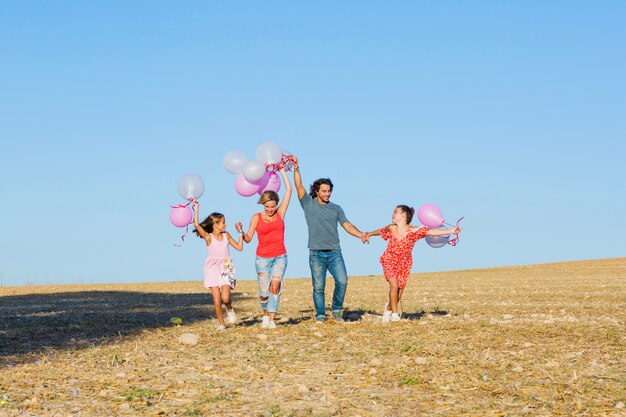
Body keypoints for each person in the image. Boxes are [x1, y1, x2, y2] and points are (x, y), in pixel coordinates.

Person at [293, 156, 367, 322]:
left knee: (342, 281)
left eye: (329, 191)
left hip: (335, 253)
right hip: (316, 254)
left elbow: (347, 225)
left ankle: (336, 310)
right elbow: (298, 186)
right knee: (318, 287)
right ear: (317, 191)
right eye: (324, 191)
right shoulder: (308, 203)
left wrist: (361, 234)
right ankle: (320, 315)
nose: (327, 194)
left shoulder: (336, 208)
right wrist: (296, 168)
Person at [364, 205, 460, 323]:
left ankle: (388, 308)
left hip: (404, 263)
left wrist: (451, 230)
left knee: (399, 292)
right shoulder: (392, 228)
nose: (392, 214)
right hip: (389, 259)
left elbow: (432, 232)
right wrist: (368, 234)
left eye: (395, 212)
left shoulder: (414, 231)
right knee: (394, 285)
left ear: (403, 215)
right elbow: (381, 231)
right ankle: (395, 314)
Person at [241, 167, 293, 329]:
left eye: (272, 206)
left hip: (280, 256)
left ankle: (271, 318)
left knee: (275, 285)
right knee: (264, 292)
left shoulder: (280, 213)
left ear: (276, 204)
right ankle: (264, 314)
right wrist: (241, 233)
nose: (270, 210)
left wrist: (282, 171)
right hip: (262, 258)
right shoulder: (256, 217)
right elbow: (248, 239)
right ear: (263, 205)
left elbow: (289, 190)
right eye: (267, 207)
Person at [192, 200, 244, 330]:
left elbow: (239, 247)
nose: (225, 224)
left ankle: (229, 308)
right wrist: (196, 208)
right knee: (216, 299)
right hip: (212, 268)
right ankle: (222, 324)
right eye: (223, 222)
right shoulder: (209, 237)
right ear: (215, 225)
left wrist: (240, 233)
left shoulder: (226, 235)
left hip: (226, 267)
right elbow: (197, 225)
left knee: (225, 298)